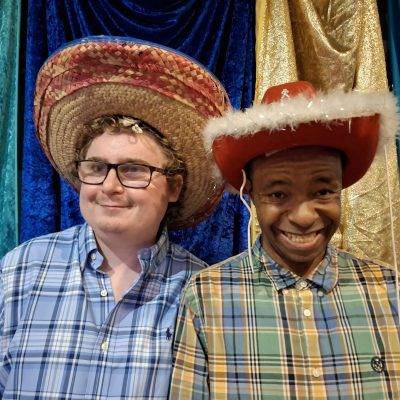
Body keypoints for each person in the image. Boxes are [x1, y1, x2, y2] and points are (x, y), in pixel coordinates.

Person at [0, 37, 230, 398]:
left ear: (173, 187)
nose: (109, 186)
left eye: (134, 170)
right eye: (96, 167)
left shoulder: (201, 292)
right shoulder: (20, 271)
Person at [170, 81, 400, 399]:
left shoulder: (390, 291)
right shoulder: (206, 297)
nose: (303, 216)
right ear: (251, 195)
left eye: (323, 191)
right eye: (278, 194)